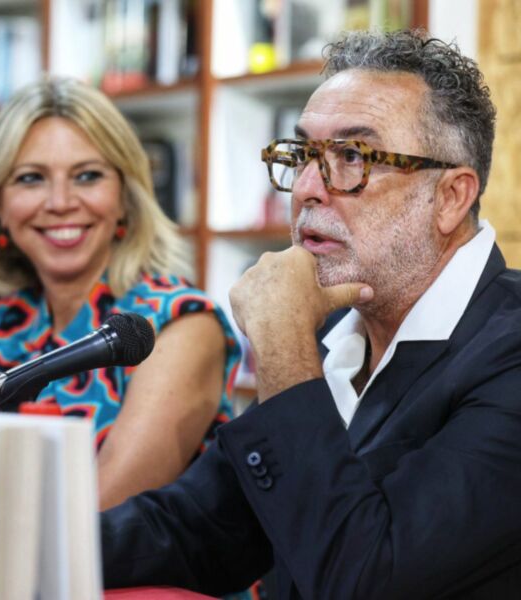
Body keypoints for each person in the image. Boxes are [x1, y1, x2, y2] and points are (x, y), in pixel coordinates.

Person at [101, 28, 521, 599]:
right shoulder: (331, 329)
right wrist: (21, 546)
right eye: (302, 155)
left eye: (352, 157)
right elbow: (196, 527)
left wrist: (279, 339)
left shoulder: (509, 350)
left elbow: (362, 578)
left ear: (450, 197)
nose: (304, 191)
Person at [0, 76, 242, 548]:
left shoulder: (178, 323)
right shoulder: (5, 319)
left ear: (126, 198)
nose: (62, 202)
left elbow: (95, 523)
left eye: (88, 175)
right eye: (30, 178)